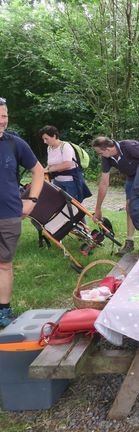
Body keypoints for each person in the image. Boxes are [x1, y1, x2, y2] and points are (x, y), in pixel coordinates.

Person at [0, 97, 45, 327]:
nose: (2, 121)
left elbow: (38, 171)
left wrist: (32, 200)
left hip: (8, 214)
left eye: (4, 116)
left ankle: (3, 312)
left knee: (4, 264)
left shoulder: (15, 144)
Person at [92, 136, 139, 255]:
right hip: (132, 178)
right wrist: (98, 209)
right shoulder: (107, 157)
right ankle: (130, 242)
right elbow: (104, 183)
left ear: (108, 149)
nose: (100, 156)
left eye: (100, 153)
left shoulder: (130, 146)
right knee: (130, 207)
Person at [39, 125, 91, 202]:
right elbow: (50, 164)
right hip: (57, 181)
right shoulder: (49, 148)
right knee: (58, 204)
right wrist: (43, 171)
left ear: (54, 136)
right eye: (43, 139)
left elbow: (67, 164)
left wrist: (49, 170)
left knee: (73, 205)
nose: (45, 142)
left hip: (71, 181)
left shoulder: (65, 146)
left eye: (46, 139)